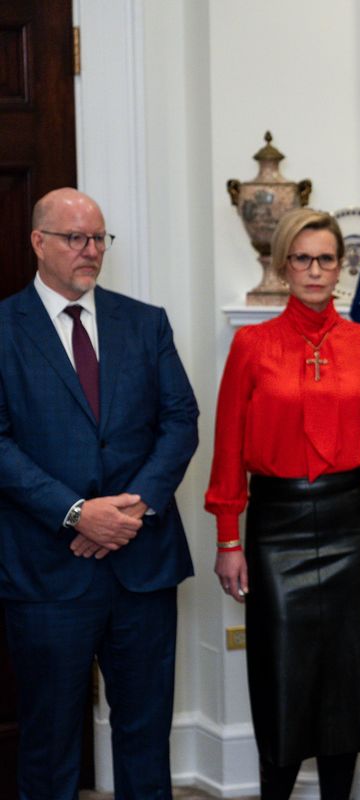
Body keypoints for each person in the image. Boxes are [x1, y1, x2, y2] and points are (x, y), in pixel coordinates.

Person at [0, 188, 199, 798]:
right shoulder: (4, 328)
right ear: (39, 242)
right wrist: (76, 513)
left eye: (98, 239)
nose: (91, 252)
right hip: (47, 572)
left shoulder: (145, 322)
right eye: (75, 239)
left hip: (143, 565)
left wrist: (132, 508)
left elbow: (180, 420)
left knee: (144, 737)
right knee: (50, 741)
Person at [205, 208, 360, 799]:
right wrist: (227, 538)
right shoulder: (252, 345)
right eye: (302, 258)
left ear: (340, 268)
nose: (314, 270)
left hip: (354, 525)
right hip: (277, 528)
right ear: (283, 265)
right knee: (284, 682)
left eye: (326, 259)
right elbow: (226, 449)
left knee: (348, 687)